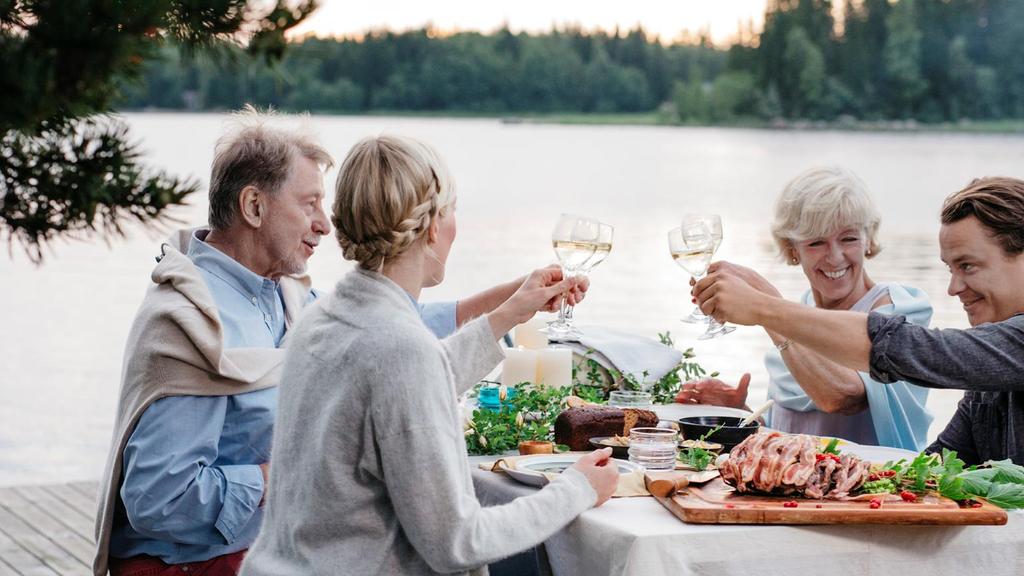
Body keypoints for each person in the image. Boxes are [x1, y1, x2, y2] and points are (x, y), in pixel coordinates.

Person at [93, 111, 585, 576]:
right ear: (253, 206)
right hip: (196, 565)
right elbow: (159, 501)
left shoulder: (287, 299)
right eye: (309, 203)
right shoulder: (194, 320)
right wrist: (288, 470)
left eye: (326, 204)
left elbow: (391, 344)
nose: (324, 223)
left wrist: (513, 305)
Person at [240, 135, 618, 576]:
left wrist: (508, 314)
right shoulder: (399, 350)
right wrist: (575, 489)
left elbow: (405, 386)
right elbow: (458, 543)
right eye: (452, 210)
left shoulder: (320, 319)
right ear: (434, 226)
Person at [693, 176, 1024, 466]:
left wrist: (764, 307)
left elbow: (902, 349)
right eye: (951, 269)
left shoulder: (1002, 344)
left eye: (968, 266)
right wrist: (740, 420)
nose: (952, 289)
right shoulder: (986, 380)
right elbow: (937, 466)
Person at [675, 167, 933, 450]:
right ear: (792, 249)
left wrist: (766, 303)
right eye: (816, 242)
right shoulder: (797, 311)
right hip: (798, 489)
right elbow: (790, 438)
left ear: (869, 239)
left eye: (848, 238)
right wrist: (741, 415)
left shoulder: (899, 309)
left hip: (874, 491)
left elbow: (841, 397)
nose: (834, 257)